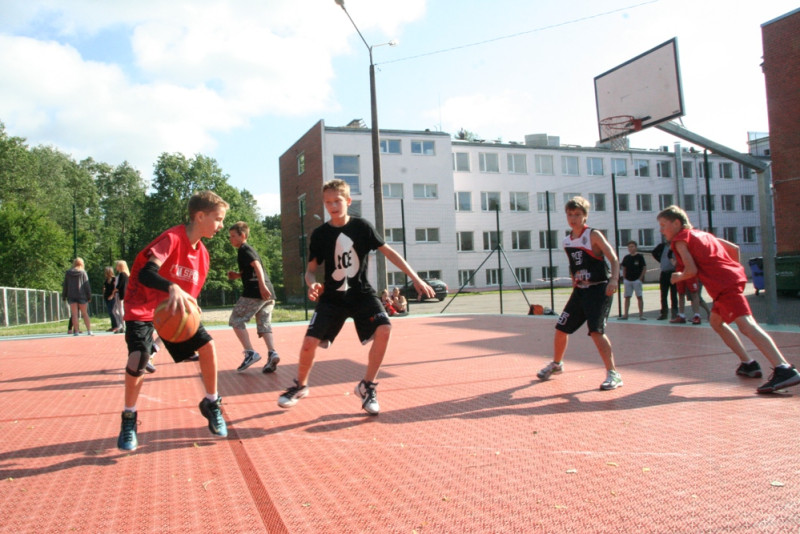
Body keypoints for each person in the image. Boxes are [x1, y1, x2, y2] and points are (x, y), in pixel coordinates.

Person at [277, 179, 435, 414]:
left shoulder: (362, 227)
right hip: (332, 298)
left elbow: (389, 252)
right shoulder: (320, 234)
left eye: (337, 201)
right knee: (309, 343)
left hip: (361, 294)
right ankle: (300, 386)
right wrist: (312, 284)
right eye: (328, 202)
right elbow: (310, 271)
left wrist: (416, 277)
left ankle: (367, 385)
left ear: (348, 202)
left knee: (385, 328)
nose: (332, 206)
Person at [116, 190, 230, 451]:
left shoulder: (203, 255)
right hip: (142, 305)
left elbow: (189, 297)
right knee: (140, 357)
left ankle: (211, 403)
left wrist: (192, 305)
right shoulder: (172, 238)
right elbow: (147, 273)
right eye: (218, 218)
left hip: (171, 312)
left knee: (208, 346)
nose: (221, 225)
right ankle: (129, 418)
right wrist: (172, 287)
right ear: (200, 216)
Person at [657, 205, 800, 394]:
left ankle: (784, 369)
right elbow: (734, 249)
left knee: (747, 325)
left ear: (676, 223)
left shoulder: (680, 240)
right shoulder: (704, 235)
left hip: (724, 286)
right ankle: (748, 364)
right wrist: (730, 270)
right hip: (728, 282)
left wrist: (678, 276)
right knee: (716, 322)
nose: (661, 230)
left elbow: (691, 271)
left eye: (663, 225)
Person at [537, 196, 623, 390]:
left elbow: (614, 259)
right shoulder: (567, 241)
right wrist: (574, 279)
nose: (573, 218)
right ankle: (557, 364)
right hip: (581, 290)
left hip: (599, 288)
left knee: (596, 331)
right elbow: (574, 265)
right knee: (561, 329)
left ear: (585, 216)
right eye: (569, 214)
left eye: (577, 214)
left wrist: (614, 280)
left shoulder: (593, 235)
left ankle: (613, 373)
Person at [227, 221, 280, 374]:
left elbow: (256, 265)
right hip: (269, 293)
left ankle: (250, 352)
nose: (230, 239)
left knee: (236, 319)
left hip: (257, 291)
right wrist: (237, 275)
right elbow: (250, 269)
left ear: (242, 236)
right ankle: (272, 353)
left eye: (233, 236)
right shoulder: (245, 250)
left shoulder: (244, 249)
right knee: (263, 323)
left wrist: (261, 286)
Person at [63, 257, 93, 336]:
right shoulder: (83, 272)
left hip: (71, 295)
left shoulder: (68, 273)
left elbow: (65, 285)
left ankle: (76, 331)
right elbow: (87, 285)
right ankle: (89, 330)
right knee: (85, 313)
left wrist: (64, 295)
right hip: (82, 295)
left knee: (74, 314)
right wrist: (89, 296)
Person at [619, 240, 647, 320]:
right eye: (629, 247)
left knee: (639, 297)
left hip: (637, 280)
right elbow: (624, 268)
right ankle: (625, 315)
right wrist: (624, 278)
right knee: (627, 297)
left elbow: (644, 268)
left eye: (632, 246)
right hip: (628, 280)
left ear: (635, 247)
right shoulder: (626, 257)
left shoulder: (640, 257)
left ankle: (641, 315)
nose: (630, 248)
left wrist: (640, 278)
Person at [652, 240, 678, 320]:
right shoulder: (662, 246)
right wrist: (660, 260)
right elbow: (654, 253)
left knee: (673, 295)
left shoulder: (676, 246)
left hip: (673, 272)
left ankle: (674, 313)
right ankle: (664, 313)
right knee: (663, 295)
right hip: (664, 273)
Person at [112, 260, 130, 334]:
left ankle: (122, 325)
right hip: (122, 294)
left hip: (120, 294)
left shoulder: (122, 274)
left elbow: (120, 285)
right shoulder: (126, 274)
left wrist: (113, 291)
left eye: (117, 265)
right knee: (117, 310)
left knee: (118, 310)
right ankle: (121, 325)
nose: (116, 267)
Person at [103, 266, 119, 332]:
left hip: (112, 297)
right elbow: (104, 287)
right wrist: (103, 293)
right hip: (106, 296)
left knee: (112, 311)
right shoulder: (106, 280)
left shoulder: (114, 279)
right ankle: (113, 326)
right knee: (110, 312)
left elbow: (115, 288)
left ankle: (116, 326)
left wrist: (112, 295)